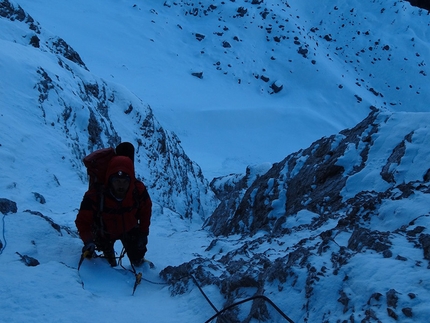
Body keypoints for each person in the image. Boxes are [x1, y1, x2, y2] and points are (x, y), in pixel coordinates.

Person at [75, 155, 152, 267]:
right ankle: (110, 263)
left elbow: (146, 211)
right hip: (104, 232)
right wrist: (89, 241)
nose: (121, 186)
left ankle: (138, 260)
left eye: (125, 181)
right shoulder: (95, 196)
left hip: (129, 229)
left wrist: (143, 233)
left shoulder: (138, 191)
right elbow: (82, 222)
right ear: (109, 179)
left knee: (137, 257)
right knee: (108, 266)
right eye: (117, 181)